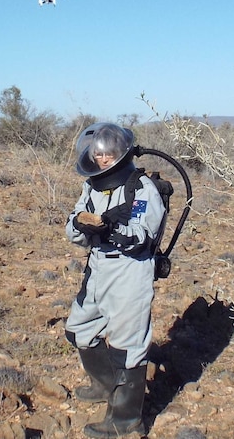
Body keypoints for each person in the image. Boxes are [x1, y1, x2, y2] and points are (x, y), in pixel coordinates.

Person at [64, 122, 166, 438]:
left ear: (120, 153)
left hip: (130, 271)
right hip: (98, 267)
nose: (103, 161)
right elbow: (73, 225)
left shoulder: (142, 189)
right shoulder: (91, 187)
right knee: (79, 329)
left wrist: (108, 229)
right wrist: (83, 227)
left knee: (126, 346)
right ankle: (106, 384)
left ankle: (126, 422)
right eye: (98, 155)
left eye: (108, 154)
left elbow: (141, 236)